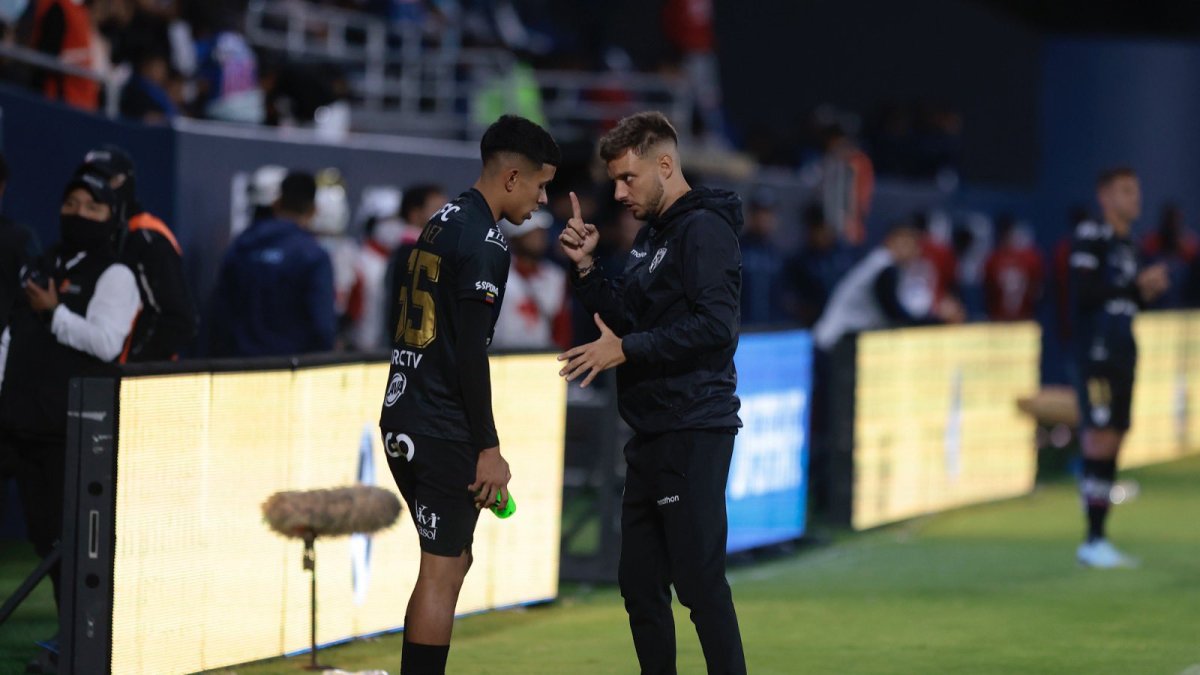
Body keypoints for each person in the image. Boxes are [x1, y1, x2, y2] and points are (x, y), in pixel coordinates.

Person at [557, 111, 746, 675]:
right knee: (639, 585)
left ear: (665, 164)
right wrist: (588, 268)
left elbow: (717, 327)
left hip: (693, 426)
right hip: (653, 429)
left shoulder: (705, 230)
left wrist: (629, 351)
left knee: (698, 581)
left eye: (627, 178)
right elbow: (627, 322)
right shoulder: (652, 236)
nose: (617, 193)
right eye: (614, 180)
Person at [378, 114, 559, 675]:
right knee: (442, 567)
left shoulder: (441, 221)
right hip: (440, 425)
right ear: (511, 177)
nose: (541, 198)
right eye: (539, 184)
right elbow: (468, 356)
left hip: (403, 409)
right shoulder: (486, 245)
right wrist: (488, 445)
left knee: (453, 558)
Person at [0, 171, 139, 627]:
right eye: (71, 203)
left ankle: (87, 642)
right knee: (45, 542)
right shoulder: (42, 262)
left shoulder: (116, 274)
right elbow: (12, 335)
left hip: (74, 432)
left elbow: (105, 342)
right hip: (22, 423)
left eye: (91, 206)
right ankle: (72, 641)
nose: (78, 213)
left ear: (111, 217)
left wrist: (54, 313)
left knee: (76, 547)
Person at [1070, 167, 1168, 568]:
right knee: (1100, 436)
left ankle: (1099, 538)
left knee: (1116, 435)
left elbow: (1128, 302)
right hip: (1097, 349)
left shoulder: (1131, 244)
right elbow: (1085, 292)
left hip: (1123, 344)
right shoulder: (1093, 235)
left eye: (1136, 191)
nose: (1135, 199)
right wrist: (1134, 286)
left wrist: (1148, 291)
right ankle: (1093, 539)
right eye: (1126, 191)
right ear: (1105, 196)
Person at [78, 144, 196, 361]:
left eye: (107, 179)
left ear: (125, 182)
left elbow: (179, 321)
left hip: (139, 379)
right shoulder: (92, 234)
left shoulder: (148, 238)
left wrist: (132, 364)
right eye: (90, 179)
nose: (98, 188)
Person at [207, 171, 336, 357]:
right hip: (290, 369)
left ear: (277, 203)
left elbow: (219, 312)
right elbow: (322, 326)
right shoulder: (313, 255)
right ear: (314, 209)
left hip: (238, 367)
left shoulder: (242, 245)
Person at [813, 222, 963, 352]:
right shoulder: (884, 267)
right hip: (835, 343)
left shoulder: (888, 266)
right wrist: (938, 321)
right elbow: (895, 315)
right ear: (890, 242)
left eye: (913, 244)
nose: (911, 250)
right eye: (904, 243)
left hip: (845, 342)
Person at [490, 210, 572, 351]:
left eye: (541, 233)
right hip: (500, 355)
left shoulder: (555, 276)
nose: (539, 238)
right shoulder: (496, 272)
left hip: (542, 357)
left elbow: (562, 323)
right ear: (515, 238)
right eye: (532, 233)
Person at [384, 184, 449, 348]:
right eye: (439, 210)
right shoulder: (413, 254)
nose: (447, 218)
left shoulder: (403, 252)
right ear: (414, 214)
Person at [29, 0, 101, 111]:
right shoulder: (58, 8)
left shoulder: (80, 11)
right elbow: (47, 59)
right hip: (59, 101)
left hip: (81, 103)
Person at [738, 186, 787, 326]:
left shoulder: (778, 255)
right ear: (750, 215)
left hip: (770, 332)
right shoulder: (736, 249)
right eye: (759, 212)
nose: (764, 218)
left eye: (768, 213)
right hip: (741, 333)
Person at [983, 214, 1044, 322]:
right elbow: (988, 294)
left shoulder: (1029, 258)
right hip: (999, 320)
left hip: (1025, 319)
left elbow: (1038, 290)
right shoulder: (993, 260)